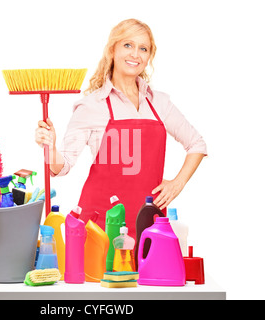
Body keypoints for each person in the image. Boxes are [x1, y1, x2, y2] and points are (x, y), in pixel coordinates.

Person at [35, 19, 207, 239]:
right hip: (101, 227)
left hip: (148, 222)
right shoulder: (92, 105)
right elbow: (63, 166)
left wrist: (177, 184)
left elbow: (197, 144)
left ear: (149, 57)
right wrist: (50, 147)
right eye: (128, 45)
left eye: (143, 49)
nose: (135, 54)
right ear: (112, 50)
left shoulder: (159, 103)